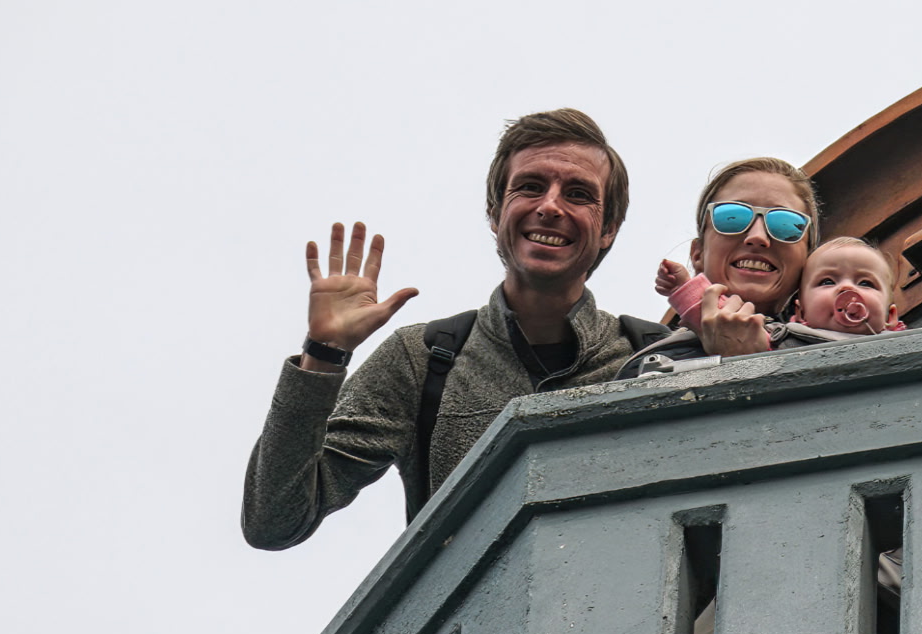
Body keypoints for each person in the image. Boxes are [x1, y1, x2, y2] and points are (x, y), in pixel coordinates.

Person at [242, 109, 668, 550]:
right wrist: (323, 354)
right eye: (529, 187)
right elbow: (273, 521)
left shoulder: (653, 357)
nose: (549, 206)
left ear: (608, 229)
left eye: (578, 194)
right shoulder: (423, 359)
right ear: (494, 213)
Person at [620, 156, 823, 377]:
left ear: (807, 261)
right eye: (732, 217)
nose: (757, 236)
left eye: (785, 225)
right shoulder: (632, 353)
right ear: (698, 254)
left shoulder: (837, 349)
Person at [655, 234, 905, 336]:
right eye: (828, 281)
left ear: (890, 317)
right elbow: (723, 319)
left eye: (866, 283)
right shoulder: (784, 339)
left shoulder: (903, 344)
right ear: (801, 313)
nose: (847, 289)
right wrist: (684, 287)